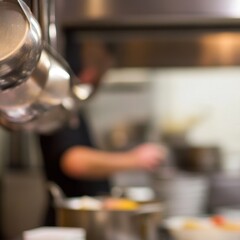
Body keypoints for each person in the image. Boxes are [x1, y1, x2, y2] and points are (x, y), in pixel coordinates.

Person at [38, 43, 166, 226]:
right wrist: (134, 159)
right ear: (90, 73)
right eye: (103, 74)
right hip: (69, 223)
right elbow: (73, 161)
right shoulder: (60, 107)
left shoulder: (70, 107)